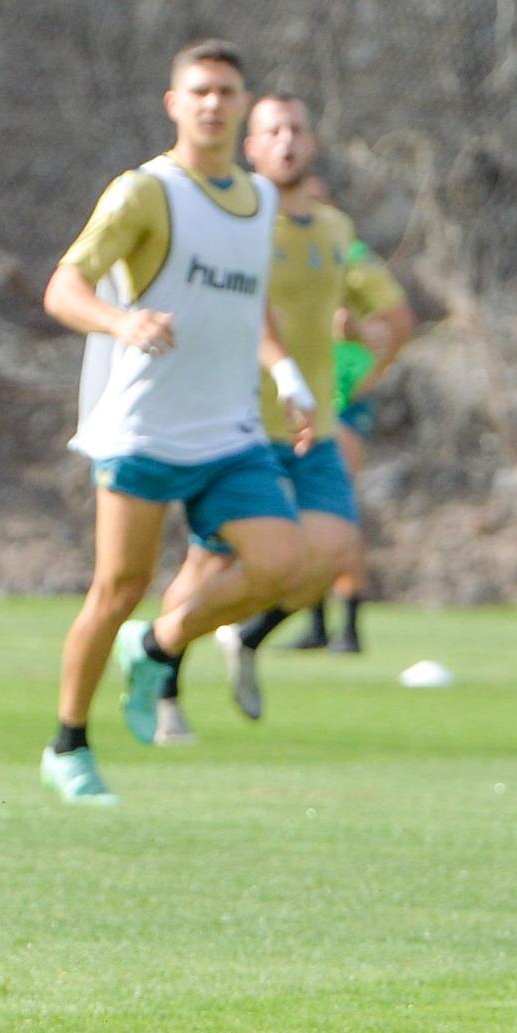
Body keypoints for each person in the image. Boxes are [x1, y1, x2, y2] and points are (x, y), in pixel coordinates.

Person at [37, 40, 314, 802]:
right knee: (118, 586)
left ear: (243, 106)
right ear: (174, 103)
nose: (214, 104)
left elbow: (247, 302)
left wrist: (285, 375)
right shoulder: (145, 192)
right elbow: (65, 288)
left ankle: (158, 645)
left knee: (282, 564)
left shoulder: (260, 200)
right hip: (145, 427)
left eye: (227, 91)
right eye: (200, 91)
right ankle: (68, 744)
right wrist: (121, 322)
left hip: (227, 428)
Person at [150, 94, 414, 740]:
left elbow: (395, 316)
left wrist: (362, 369)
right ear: (252, 145)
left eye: (298, 128)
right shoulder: (234, 223)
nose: (287, 140)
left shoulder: (333, 230)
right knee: (207, 566)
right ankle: (165, 685)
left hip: (313, 427)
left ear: (312, 142)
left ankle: (244, 635)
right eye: (273, 129)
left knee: (331, 552)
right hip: (236, 424)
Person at [285, 238, 414, 653]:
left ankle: (350, 627)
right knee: (308, 510)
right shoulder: (285, 255)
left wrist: (369, 364)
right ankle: (318, 624)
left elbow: (394, 325)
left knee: (334, 507)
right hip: (302, 398)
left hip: (341, 400)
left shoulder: (347, 256)